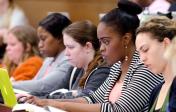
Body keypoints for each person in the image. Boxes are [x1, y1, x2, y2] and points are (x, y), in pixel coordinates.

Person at [20, 1, 164, 112]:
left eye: (106, 42)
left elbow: (117, 109)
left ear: (125, 39)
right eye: (100, 41)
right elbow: (92, 99)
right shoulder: (116, 67)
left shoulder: (145, 68)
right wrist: (44, 101)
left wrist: (51, 103)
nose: (101, 48)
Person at [30, 20, 110, 99]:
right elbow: (53, 91)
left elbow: (84, 99)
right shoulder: (75, 69)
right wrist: (30, 96)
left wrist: (44, 98)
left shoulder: (102, 70)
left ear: (88, 47)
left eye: (71, 47)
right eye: (66, 47)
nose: (66, 53)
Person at [12, 13, 72, 94]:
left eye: (43, 39)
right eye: (39, 40)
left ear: (60, 38)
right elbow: (35, 81)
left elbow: (43, 86)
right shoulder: (49, 59)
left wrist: (9, 85)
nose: (40, 45)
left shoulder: (69, 60)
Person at [135, 16, 176, 111]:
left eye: (145, 49)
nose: (142, 59)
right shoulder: (156, 91)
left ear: (166, 43)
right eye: (139, 53)